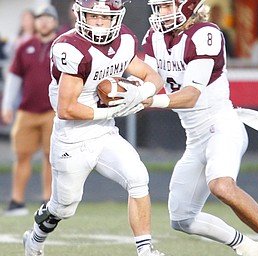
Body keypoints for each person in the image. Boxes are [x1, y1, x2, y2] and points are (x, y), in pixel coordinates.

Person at [134, 1, 258, 256]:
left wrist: (148, 99)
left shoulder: (205, 33)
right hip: (195, 137)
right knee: (181, 218)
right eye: (159, 7)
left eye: (168, 6)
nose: (161, 14)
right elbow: (147, 77)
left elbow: (190, 95)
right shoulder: (155, 36)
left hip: (221, 125)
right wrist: (125, 90)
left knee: (221, 185)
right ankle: (246, 246)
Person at [22, 1, 165, 256]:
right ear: (80, 15)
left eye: (104, 17)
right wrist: (113, 110)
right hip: (71, 138)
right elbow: (66, 108)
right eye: (92, 16)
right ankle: (34, 238)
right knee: (63, 207)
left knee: (138, 177)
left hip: (104, 133)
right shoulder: (71, 47)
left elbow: (153, 76)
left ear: (117, 17)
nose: (98, 22)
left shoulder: (124, 41)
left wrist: (141, 93)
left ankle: (146, 250)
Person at [1, 5, 59, 216]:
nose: (44, 22)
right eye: (40, 18)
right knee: (22, 156)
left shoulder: (61, 46)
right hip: (26, 110)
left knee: (50, 157)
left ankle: (48, 203)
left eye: (48, 18)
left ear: (55, 22)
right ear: (35, 22)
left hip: (53, 111)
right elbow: (14, 78)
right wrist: (7, 105)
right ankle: (17, 201)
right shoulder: (25, 47)